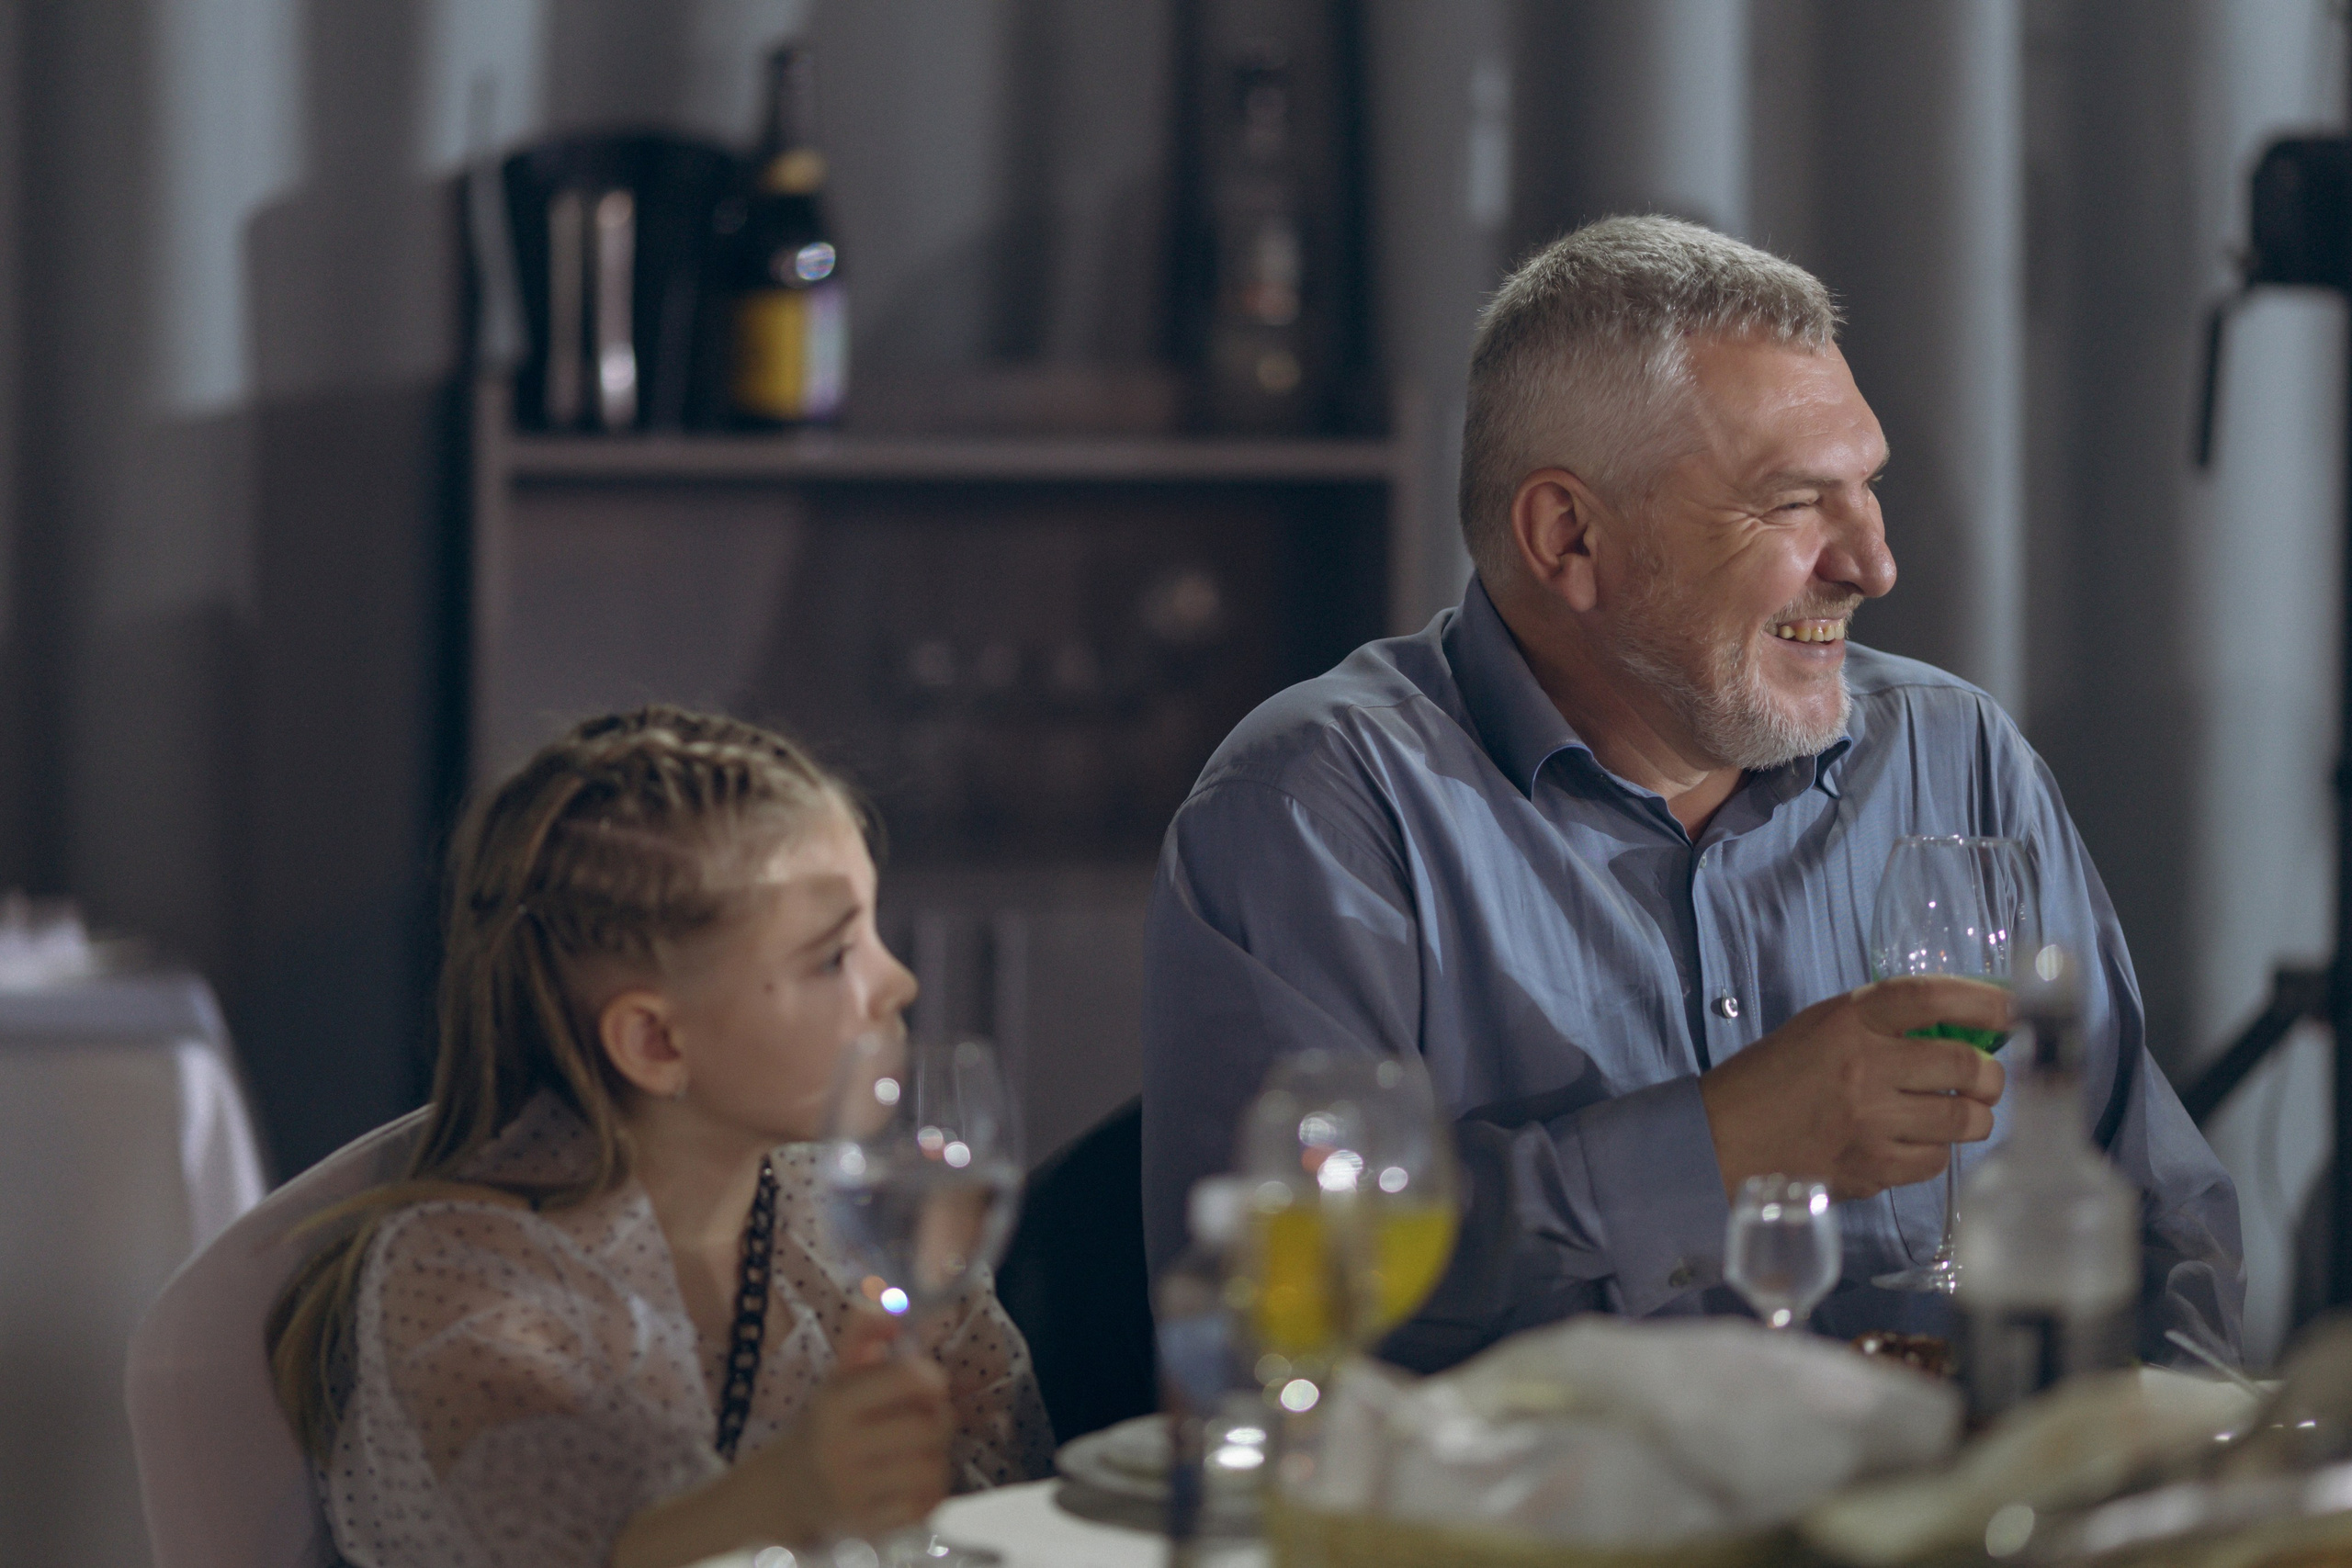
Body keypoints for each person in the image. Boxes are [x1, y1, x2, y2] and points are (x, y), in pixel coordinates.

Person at [1140, 215, 2243, 1369]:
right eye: (1792, 503)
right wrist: (1712, 1150)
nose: (1871, 564)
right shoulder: (1319, 811)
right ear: (1568, 536)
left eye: (1865, 488)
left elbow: (2166, 1227)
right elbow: (1264, 1317)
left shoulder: (1956, 757)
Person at [268, 707, 1053, 1568]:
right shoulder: (462, 1273)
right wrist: (793, 1491)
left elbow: (1004, 1494)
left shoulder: (841, 1219)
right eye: (833, 957)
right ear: (657, 1043)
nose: (896, 980)